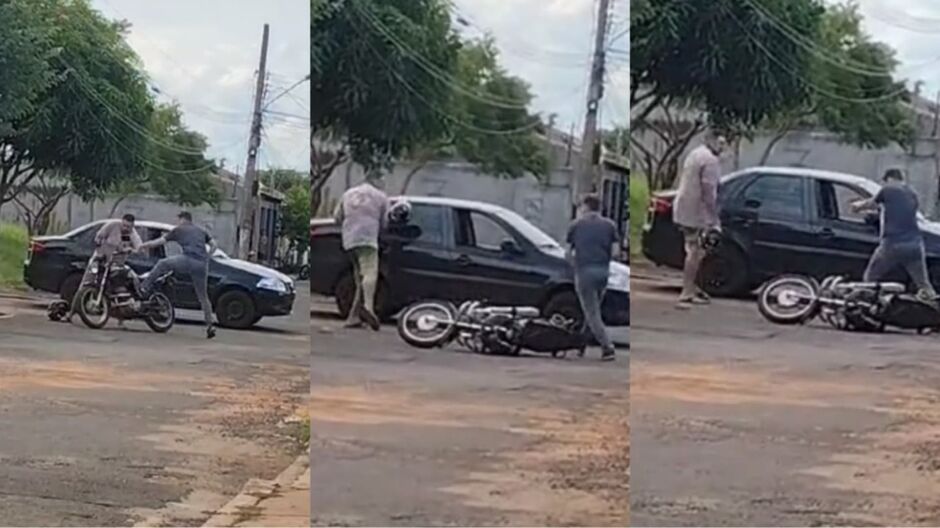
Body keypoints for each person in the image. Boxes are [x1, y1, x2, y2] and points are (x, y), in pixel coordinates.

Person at [852, 169, 937, 300]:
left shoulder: (889, 190)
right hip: (915, 245)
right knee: (923, 283)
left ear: (889, 179)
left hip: (893, 243)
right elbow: (899, 212)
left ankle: (866, 307)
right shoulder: (912, 193)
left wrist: (857, 206)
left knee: (871, 277)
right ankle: (934, 306)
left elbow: (871, 204)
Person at [139, 211, 218, 339]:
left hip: (187, 259)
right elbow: (214, 245)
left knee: (162, 263)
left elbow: (159, 242)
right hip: (202, 265)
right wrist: (208, 257)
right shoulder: (200, 231)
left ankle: (144, 286)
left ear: (182, 219)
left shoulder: (179, 230)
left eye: (178, 220)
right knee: (203, 297)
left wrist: (144, 245)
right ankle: (210, 326)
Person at [673, 131, 727, 309]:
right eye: (720, 144)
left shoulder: (695, 154)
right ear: (711, 141)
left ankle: (691, 287)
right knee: (695, 252)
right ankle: (687, 292)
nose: (722, 148)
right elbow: (709, 191)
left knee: (694, 250)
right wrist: (713, 218)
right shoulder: (710, 160)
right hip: (696, 211)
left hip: (683, 207)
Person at [567, 194, 619, 361]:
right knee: (591, 310)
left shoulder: (575, 226)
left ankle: (607, 346)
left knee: (592, 312)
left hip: (584, 272)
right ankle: (580, 344)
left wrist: (575, 265)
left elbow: (568, 253)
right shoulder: (610, 225)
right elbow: (616, 252)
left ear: (585, 207)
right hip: (603, 272)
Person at [334, 174, 388, 331]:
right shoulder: (381, 196)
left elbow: (337, 217)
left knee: (359, 279)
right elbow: (385, 222)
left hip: (349, 239)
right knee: (370, 273)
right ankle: (368, 307)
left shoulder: (348, 194)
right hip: (368, 239)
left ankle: (353, 317)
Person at [68, 214, 142, 322]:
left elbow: (139, 246)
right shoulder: (112, 226)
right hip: (99, 260)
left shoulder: (133, 234)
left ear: (132, 226)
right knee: (85, 283)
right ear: (121, 222)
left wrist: (131, 249)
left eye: (128, 227)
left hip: (115, 264)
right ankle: (71, 313)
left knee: (117, 287)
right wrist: (99, 244)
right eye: (124, 225)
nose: (126, 229)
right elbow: (99, 237)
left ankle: (121, 317)